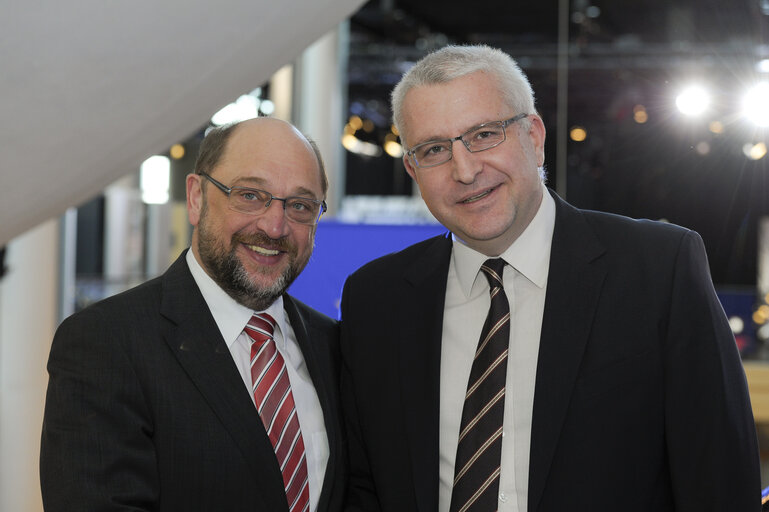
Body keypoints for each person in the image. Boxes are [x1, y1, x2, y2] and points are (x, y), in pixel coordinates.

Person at [340, 45, 760, 512]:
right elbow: (365, 488)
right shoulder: (375, 300)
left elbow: (720, 481)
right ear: (412, 169)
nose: (465, 170)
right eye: (435, 149)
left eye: (483, 134)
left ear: (534, 137)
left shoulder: (658, 269)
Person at [40, 117, 346, 512]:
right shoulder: (105, 343)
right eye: (250, 195)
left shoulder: (335, 346)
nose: (274, 226)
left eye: (300, 205)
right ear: (197, 198)